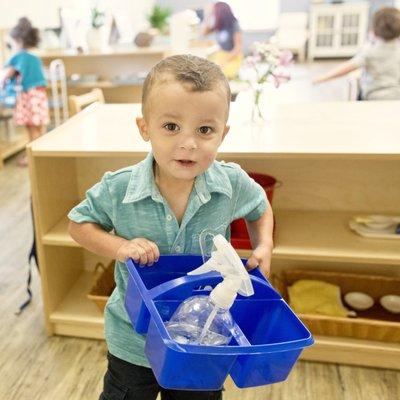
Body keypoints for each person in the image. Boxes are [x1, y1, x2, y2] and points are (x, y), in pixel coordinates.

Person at [68, 54, 274, 400]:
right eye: (171, 127)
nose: (189, 143)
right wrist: (120, 247)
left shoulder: (231, 182)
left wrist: (264, 245)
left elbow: (260, 206)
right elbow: (78, 224)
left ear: (223, 134)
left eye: (205, 130)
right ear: (144, 127)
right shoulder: (118, 188)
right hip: (134, 339)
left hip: (202, 338)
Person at [313, 7, 400, 100]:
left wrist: (322, 78)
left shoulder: (370, 52)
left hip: (374, 97)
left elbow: (347, 67)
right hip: (396, 96)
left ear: (374, 31)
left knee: (359, 90)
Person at [0, 17, 49, 166]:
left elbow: (6, 75)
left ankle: (33, 157)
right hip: (39, 96)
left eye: (12, 44)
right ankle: (42, 153)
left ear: (19, 41)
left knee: (30, 128)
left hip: (28, 97)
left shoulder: (19, 57)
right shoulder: (35, 57)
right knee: (39, 127)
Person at [202, 2, 243, 79]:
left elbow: (238, 47)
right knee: (211, 74)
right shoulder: (219, 25)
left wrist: (225, 61)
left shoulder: (234, 24)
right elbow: (204, 33)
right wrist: (208, 15)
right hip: (221, 55)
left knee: (223, 75)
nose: (213, 15)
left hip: (233, 56)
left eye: (214, 12)